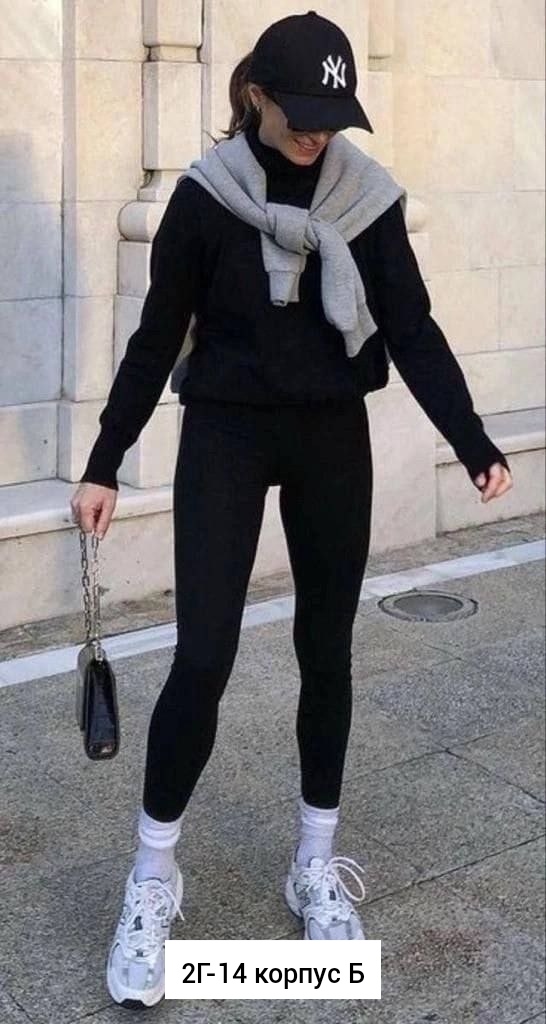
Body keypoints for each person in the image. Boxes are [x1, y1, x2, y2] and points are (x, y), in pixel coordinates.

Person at [70, 10, 513, 1009]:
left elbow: (412, 328)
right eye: (299, 110)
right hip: (224, 434)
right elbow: (156, 338)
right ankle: (153, 875)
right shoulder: (204, 198)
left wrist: (473, 439)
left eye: (331, 114)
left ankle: (314, 863)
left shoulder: (366, 198)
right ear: (255, 96)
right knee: (203, 657)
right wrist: (105, 462)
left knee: (327, 650)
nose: (316, 131)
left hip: (329, 439)